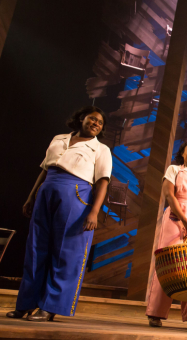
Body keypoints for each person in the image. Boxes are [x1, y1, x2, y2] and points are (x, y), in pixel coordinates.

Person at [6, 106, 112, 321]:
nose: (96, 124)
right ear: (81, 118)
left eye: (100, 123)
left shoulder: (100, 149)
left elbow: (103, 181)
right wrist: (31, 196)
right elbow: (45, 169)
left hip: (76, 194)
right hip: (47, 191)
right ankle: (26, 304)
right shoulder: (59, 139)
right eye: (93, 119)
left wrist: (94, 212)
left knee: (66, 251)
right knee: (36, 248)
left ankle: (50, 307)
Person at [145, 142, 187, 330]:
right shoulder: (173, 169)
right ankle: (156, 313)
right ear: (182, 153)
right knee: (167, 263)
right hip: (176, 216)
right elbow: (170, 196)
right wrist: (184, 220)